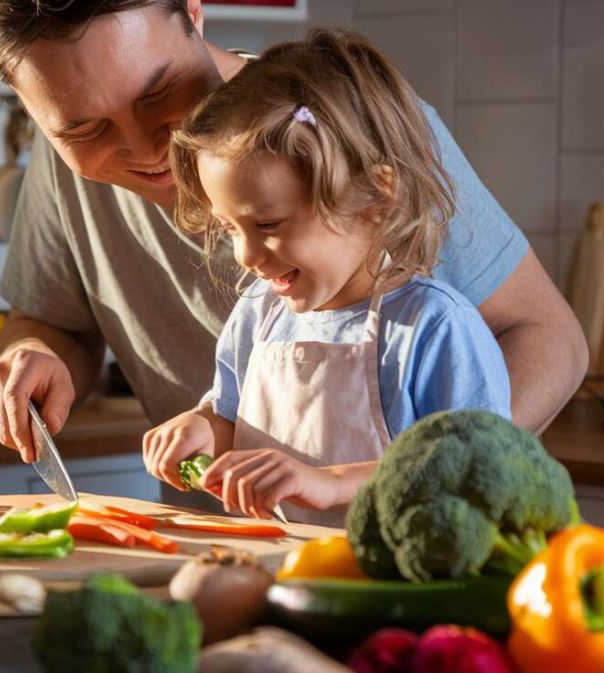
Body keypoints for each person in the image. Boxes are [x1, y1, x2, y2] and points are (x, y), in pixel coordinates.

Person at [0, 0, 585, 504]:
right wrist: (31, 354)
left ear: (192, 10)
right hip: (226, 547)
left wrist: (420, 490)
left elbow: (548, 336)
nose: (145, 148)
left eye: (156, 94)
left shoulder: (346, 133)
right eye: (83, 129)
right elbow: (54, 323)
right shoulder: (62, 171)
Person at [141, 28, 510, 526]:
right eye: (230, 227)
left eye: (267, 225)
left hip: (395, 592)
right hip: (275, 578)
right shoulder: (258, 317)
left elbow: (476, 470)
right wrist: (203, 430)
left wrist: (331, 483)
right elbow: (231, 419)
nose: (245, 255)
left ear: (374, 200)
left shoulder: (434, 327)